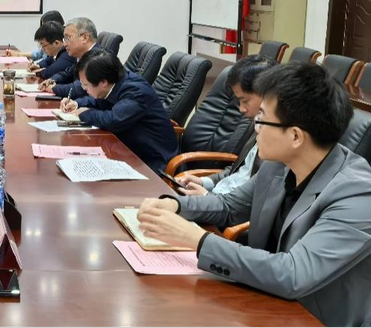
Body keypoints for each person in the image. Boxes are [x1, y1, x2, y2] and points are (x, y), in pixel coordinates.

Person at [136, 62, 371, 327]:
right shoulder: (278, 165)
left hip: (317, 318)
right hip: (264, 301)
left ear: (295, 136)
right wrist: (174, 205)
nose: (254, 127)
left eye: (262, 119)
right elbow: (229, 206)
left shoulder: (358, 194)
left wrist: (195, 239)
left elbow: (293, 274)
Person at [61, 50, 177, 173]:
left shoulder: (135, 91)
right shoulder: (115, 82)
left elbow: (113, 120)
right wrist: (77, 103)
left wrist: (84, 113)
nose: (84, 89)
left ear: (103, 82)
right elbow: (101, 101)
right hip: (128, 149)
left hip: (151, 160)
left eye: (85, 85)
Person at [179, 54, 278, 196]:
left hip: (226, 204)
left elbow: (254, 199)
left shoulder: (278, 141)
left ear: (268, 94)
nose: (241, 109)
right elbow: (239, 170)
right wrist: (204, 182)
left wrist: (207, 197)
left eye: (245, 101)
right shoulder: (258, 124)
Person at [38, 17, 99, 100]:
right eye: (64, 39)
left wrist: (54, 88)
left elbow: (79, 88)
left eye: (68, 38)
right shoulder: (82, 56)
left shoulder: (96, 58)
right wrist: (52, 80)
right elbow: (67, 74)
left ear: (84, 38)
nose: (65, 44)